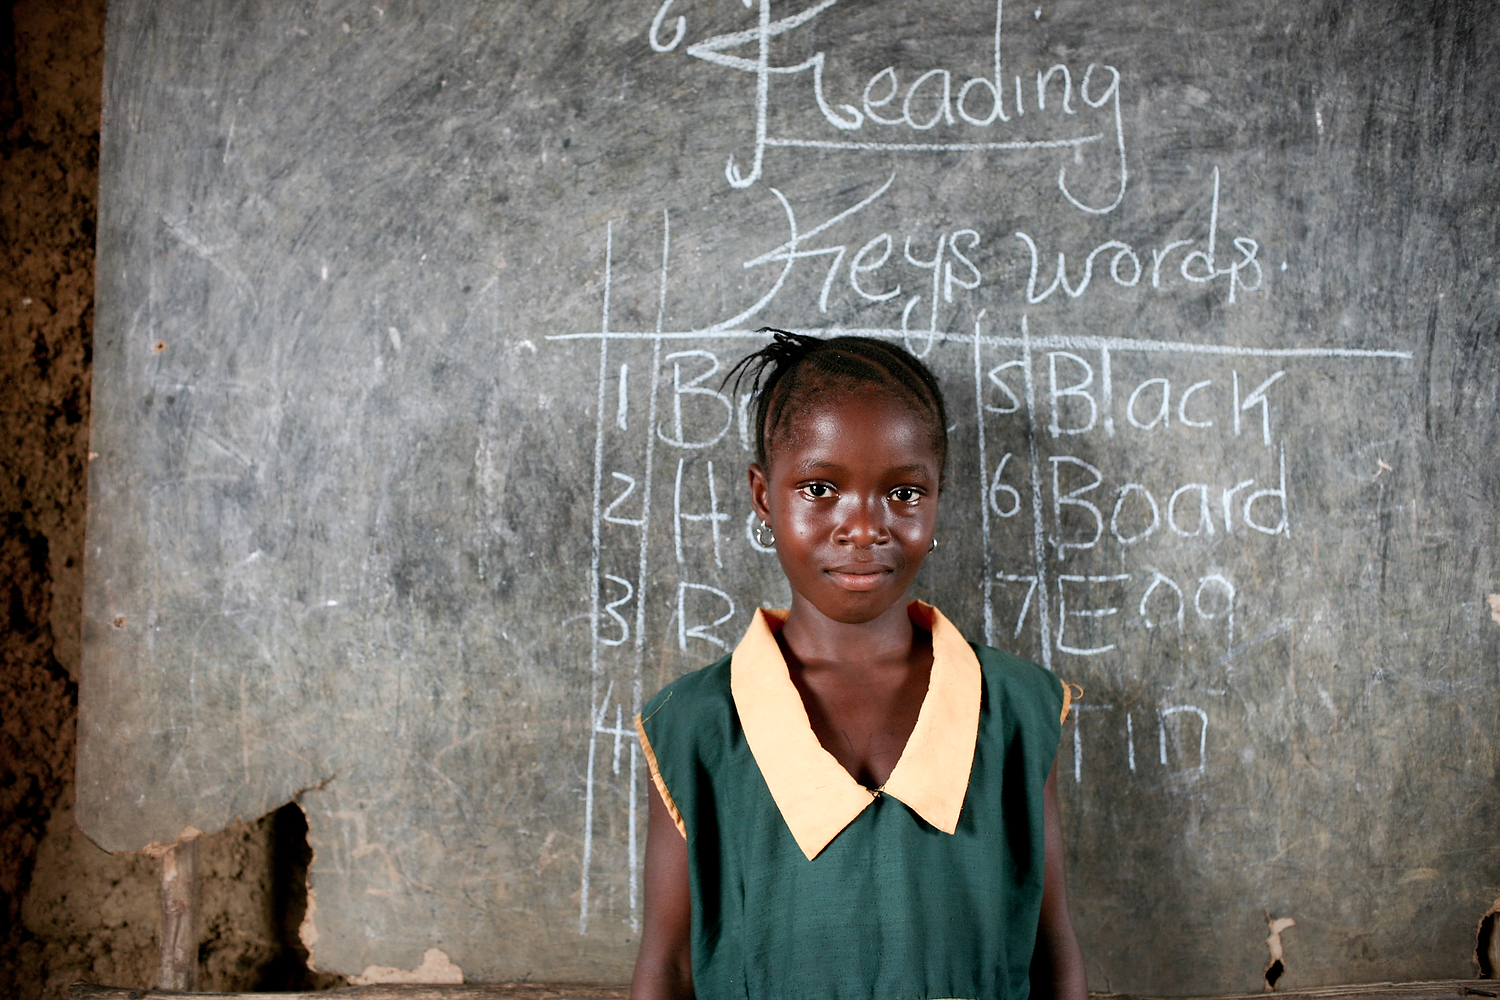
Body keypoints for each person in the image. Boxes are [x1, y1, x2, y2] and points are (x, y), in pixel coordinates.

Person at [630, 330, 1086, 1000]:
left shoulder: (1016, 708)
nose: (865, 527)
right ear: (763, 496)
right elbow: (666, 967)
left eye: (904, 493)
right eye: (820, 487)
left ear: (937, 497)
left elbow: (1054, 955)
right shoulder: (696, 725)